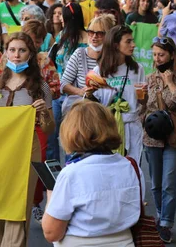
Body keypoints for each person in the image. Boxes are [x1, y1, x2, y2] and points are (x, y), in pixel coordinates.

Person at [0, 32, 54, 247]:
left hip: (27, 152)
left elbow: (49, 128)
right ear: (5, 53)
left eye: (22, 50)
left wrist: (43, 113)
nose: (16, 55)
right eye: (12, 50)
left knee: (18, 205)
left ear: (30, 54)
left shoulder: (40, 86)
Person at [42, 101, 142, 246]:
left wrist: (52, 193)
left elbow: (51, 232)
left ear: (71, 131)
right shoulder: (131, 166)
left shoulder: (71, 174)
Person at [143, 36, 176, 244]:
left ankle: (165, 224)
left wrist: (169, 83)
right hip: (152, 137)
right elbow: (146, 108)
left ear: (171, 54)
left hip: (174, 137)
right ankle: (161, 216)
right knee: (156, 184)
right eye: (154, 55)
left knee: (169, 183)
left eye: (161, 54)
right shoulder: (150, 77)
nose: (158, 58)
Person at [91, 25, 146, 161]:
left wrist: (144, 96)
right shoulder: (99, 72)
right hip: (108, 128)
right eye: (128, 41)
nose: (133, 45)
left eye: (133, 41)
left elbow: (143, 103)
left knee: (132, 169)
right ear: (115, 45)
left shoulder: (137, 69)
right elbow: (94, 103)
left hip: (132, 127)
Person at [48, 2, 88, 161]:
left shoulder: (87, 39)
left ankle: (71, 168)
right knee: (52, 136)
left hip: (75, 95)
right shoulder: (61, 36)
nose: (60, 19)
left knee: (72, 137)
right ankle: (54, 174)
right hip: (57, 92)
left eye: (62, 16)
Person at [61, 14, 116, 97]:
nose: (94, 36)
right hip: (84, 106)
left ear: (109, 35)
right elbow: (63, 83)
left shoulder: (116, 57)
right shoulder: (80, 54)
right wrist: (81, 92)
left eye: (100, 33)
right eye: (91, 32)